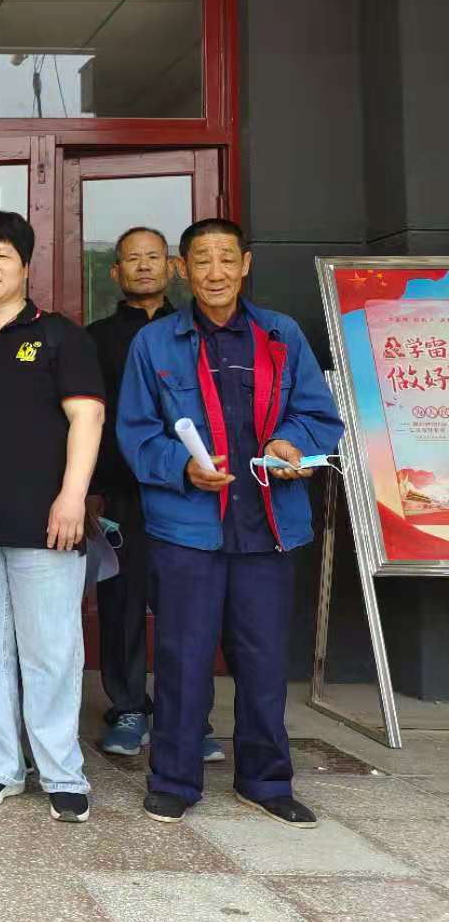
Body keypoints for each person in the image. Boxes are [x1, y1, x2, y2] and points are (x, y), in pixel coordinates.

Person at [118, 218, 342, 828]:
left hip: (268, 525)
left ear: (245, 265)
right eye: (201, 260)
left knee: (264, 661)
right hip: (188, 528)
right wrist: (182, 468)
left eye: (226, 259)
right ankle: (173, 779)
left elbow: (317, 415)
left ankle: (266, 780)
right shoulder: (155, 344)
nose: (214, 272)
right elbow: (136, 433)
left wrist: (292, 443)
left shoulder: (281, 334)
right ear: (182, 270)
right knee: (182, 658)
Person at [0, 210, 105, 825]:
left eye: (2, 256)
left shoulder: (62, 336)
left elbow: (87, 417)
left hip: (48, 522)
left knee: (52, 651)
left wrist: (73, 497)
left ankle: (61, 770)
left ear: (25, 266)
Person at [86, 228, 226, 763]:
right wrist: (91, 490)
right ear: (115, 272)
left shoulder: (198, 331)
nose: (143, 266)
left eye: (153, 257)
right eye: (132, 259)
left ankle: (188, 716)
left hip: (192, 490)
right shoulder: (95, 339)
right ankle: (127, 707)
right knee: (122, 605)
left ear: (172, 268)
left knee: (186, 609)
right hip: (122, 493)